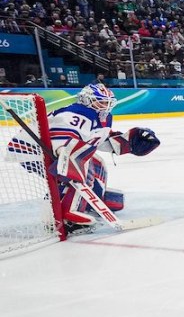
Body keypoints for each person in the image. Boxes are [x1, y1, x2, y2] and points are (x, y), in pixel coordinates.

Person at [7, 84, 160, 230]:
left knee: (96, 163)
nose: (105, 106)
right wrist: (64, 152)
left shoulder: (101, 118)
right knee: (79, 163)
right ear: (86, 100)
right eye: (100, 102)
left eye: (108, 102)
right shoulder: (77, 113)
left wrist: (130, 142)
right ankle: (65, 213)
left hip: (53, 148)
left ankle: (90, 201)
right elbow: (64, 134)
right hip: (32, 150)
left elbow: (98, 140)